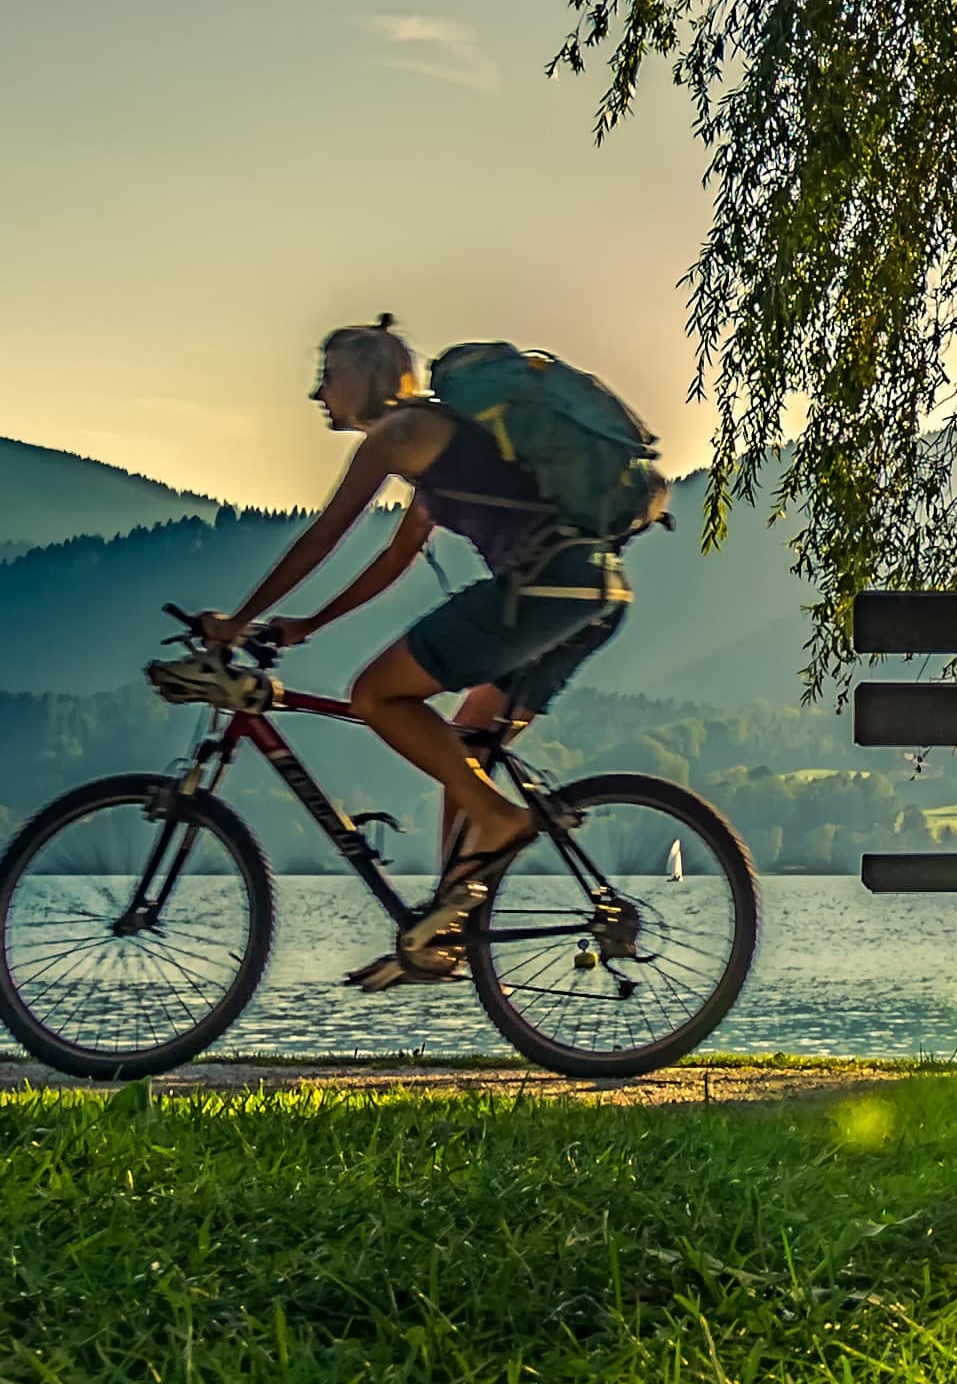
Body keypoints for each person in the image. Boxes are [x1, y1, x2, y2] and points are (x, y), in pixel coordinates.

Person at [198, 317, 632, 987]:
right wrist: (308, 623)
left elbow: (323, 539)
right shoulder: (433, 441)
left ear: (368, 374)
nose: (318, 392)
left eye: (329, 374)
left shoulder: (396, 437)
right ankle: (444, 932)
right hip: (591, 591)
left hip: (540, 588)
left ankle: (499, 821)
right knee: (468, 748)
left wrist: (240, 622)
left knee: (375, 695)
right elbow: (396, 557)